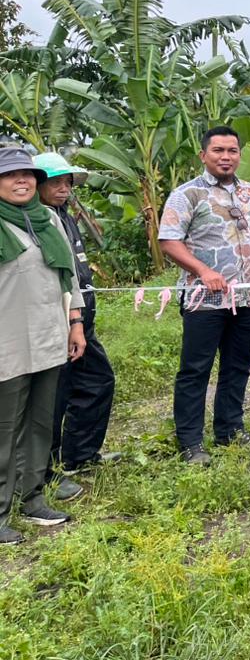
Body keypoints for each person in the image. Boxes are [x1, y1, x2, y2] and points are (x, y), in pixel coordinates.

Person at [159, 126, 250, 465]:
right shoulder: (187, 194)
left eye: (232, 151)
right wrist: (202, 270)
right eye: (218, 151)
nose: (226, 157)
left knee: (239, 365)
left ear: (239, 154)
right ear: (203, 155)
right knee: (195, 370)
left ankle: (229, 429)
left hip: (247, 300)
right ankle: (190, 442)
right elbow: (169, 240)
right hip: (204, 301)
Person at [0, 148, 86, 543]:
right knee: (5, 428)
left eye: (27, 174)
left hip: (49, 334)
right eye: (10, 175)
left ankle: (31, 498)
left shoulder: (48, 219)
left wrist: (75, 324)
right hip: (8, 342)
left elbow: (67, 279)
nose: (21, 181)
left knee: (38, 423)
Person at [34, 154, 117, 501]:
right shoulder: (38, 222)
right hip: (60, 324)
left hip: (82, 321)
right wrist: (73, 323)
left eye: (67, 182)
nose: (64, 189)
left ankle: (79, 454)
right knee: (54, 398)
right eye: (56, 182)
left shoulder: (63, 217)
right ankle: (47, 471)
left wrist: (82, 321)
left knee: (98, 382)